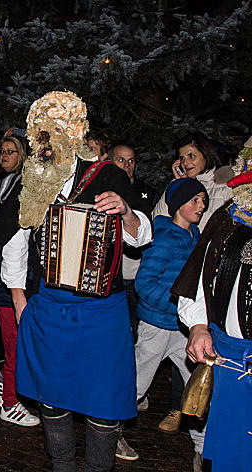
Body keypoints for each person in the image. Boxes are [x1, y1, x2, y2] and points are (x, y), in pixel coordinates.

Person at [2, 91, 152, 472]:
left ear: (73, 135)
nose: (44, 145)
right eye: (39, 136)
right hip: (50, 308)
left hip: (102, 311)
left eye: (52, 135)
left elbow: (142, 236)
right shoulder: (33, 178)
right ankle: (62, 466)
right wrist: (19, 300)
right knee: (52, 399)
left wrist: (126, 211)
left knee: (104, 402)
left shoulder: (108, 174)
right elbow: (15, 239)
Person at [171, 136, 252, 472]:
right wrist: (199, 326)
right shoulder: (229, 216)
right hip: (230, 360)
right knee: (230, 458)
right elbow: (200, 275)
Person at [151, 133, 233, 434]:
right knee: (186, 346)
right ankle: (179, 407)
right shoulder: (180, 185)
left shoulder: (225, 186)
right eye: (182, 156)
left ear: (206, 155)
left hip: (215, 273)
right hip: (184, 273)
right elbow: (160, 220)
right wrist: (175, 187)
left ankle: (207, 417)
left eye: (191, 155)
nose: (186, 162)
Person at [133, 178, 208, 459]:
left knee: (197, 389)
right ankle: (108, 433)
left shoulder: (195, 236)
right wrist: (180, 307)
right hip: (157, 326)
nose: (201, 206)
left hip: (184, 330)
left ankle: (203, 449)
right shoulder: (164, 238)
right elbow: (144, 284)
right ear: (178, 205)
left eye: (203, 200)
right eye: (194, 200)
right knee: (135, 386)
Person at [0, 137, 40, 426]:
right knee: (15, 347)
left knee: (25, 346)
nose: (4, 156)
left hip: (28, 280)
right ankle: (10, 403)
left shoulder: (30, 187)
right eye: (1, 151)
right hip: (8, 283)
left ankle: (3, 378)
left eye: (10, 151)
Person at [109, 144, 160, 341]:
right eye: (121, 160)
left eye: (131, 160)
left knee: (134, 329)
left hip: (135, 274)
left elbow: (152, 232)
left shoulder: (146, 193)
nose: (127, 165)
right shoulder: (101, 191)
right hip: (109, 276)